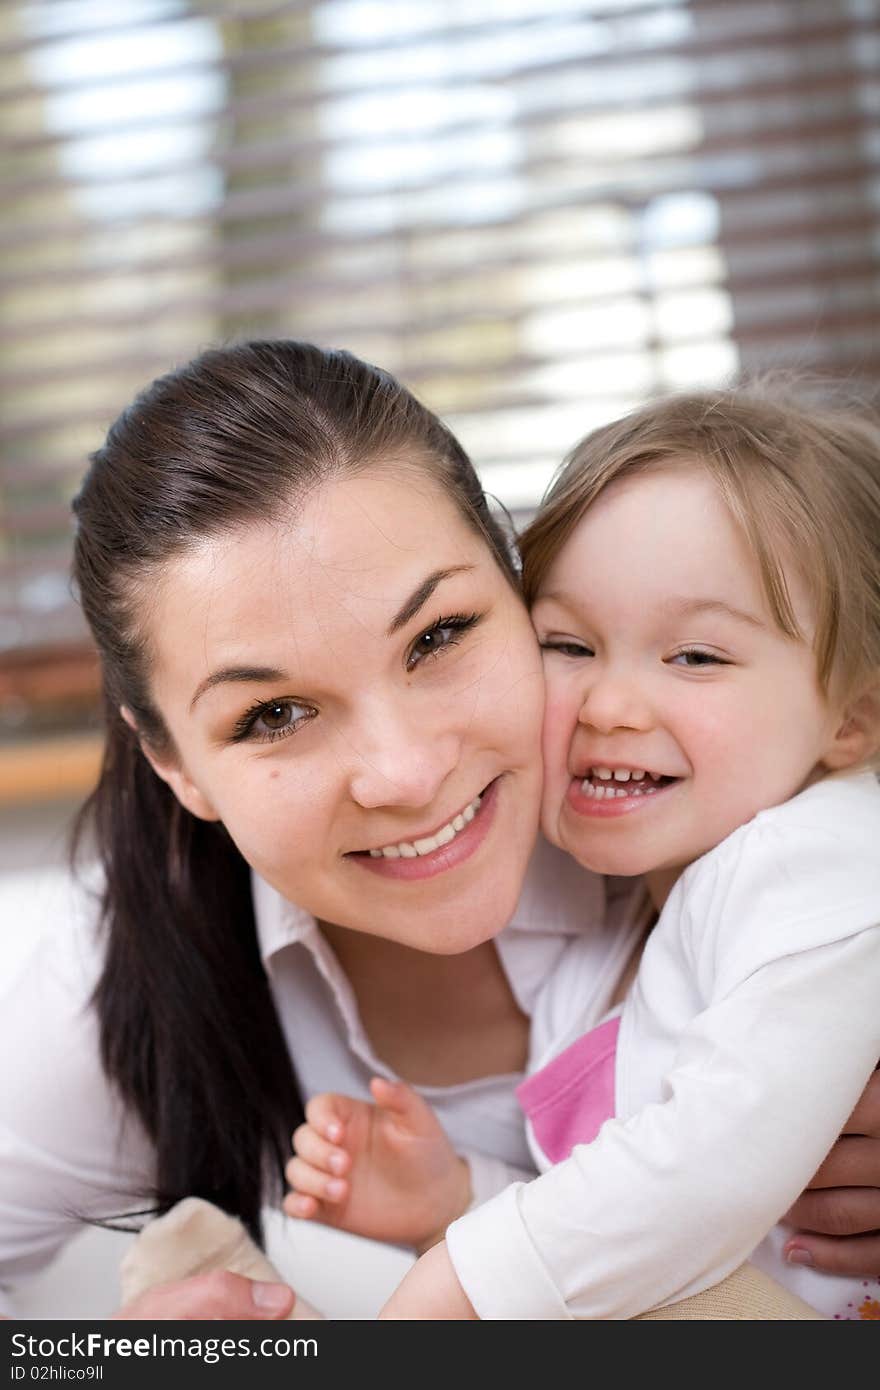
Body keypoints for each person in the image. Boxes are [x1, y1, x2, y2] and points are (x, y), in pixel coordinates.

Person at [1, 346, 878, 1322]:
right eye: (274, 715)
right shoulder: (115, 997)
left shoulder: (741, 805)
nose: (406, 774)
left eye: (438, 636)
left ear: (514, 585)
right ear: (174, 764)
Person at [292, 384, 880, 1320]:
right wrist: (457, 1203)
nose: (610, 704)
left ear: (853, 717)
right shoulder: (599, 962)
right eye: (567, 643)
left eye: (695, 657)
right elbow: (625, 1235)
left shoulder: (817, 864)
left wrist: (462, 1284)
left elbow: (707, 1173)